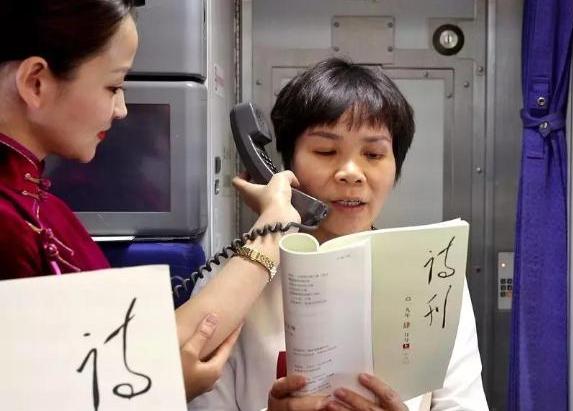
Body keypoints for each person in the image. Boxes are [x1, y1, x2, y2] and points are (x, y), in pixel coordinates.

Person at [0, 0, 301, 402]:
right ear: (35, 82)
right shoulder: (11, 221)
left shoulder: (41, 207)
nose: (122, 110)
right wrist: (274, 227)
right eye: (113, 86)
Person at [189, 58, 489, 410]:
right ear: (285, 166)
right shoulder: (230, 283)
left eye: (373, 154)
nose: (351, 172)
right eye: (326, 151)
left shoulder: (436, 274)